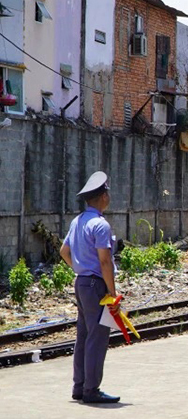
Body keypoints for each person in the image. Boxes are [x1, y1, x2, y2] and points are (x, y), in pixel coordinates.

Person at [59, 171, 121, 405]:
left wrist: (80, 268)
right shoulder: (100, 225)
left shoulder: (78, 222)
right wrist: (112, 293)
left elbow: (64, 252)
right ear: (103, 197)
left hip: (81, 283)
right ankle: (92, 390)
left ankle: (79, 386)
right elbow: (105, 261)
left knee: (84, 335)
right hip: (96, 285)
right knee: (98, 336)